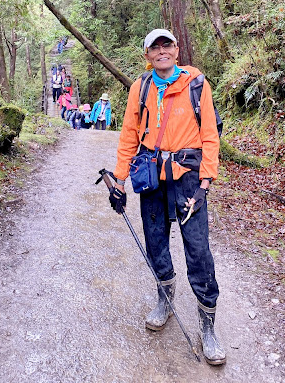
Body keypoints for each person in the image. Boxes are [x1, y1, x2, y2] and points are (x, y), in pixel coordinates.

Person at [109, 29, 225, 366]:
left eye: (167, 45)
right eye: (154, 47)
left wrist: (206, 183)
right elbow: (129, 133)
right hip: (151, 176)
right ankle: (165, 298)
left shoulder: (196, 83)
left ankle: (208, 326)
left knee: (198, 250)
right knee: (155, 242)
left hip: (189, 178)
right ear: (147, 54)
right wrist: (119, 181)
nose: (161, 51)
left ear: (176, 50)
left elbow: (210, 135)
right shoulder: (140, 87)